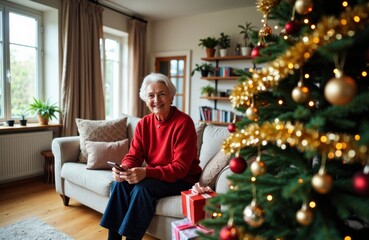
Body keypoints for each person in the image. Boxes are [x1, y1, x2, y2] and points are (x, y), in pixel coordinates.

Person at [100, 73, 202, 240]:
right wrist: (124, 168)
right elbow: (134, 155)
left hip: (183, 179)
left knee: (143, 188)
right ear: (145, 100)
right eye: (151, 95)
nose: (157, 100)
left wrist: (146, 172)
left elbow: (180, 169)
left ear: (171, 97)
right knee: (119, 184)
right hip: (158, 176)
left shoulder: (184, 123)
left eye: (162, 94)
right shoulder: (144, 123)